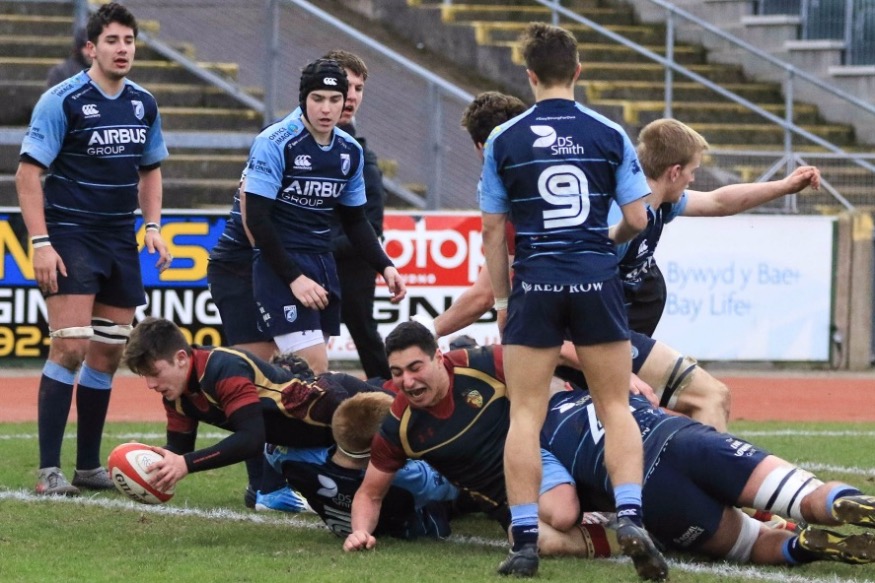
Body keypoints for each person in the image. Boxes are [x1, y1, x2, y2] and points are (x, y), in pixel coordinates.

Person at [477, 23, 665, 579]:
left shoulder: (504, 138)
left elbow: (492, 232)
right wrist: (604, 242)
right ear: (578, 71)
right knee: (615, 406)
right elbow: (638, 218)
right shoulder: (608, 132)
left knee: (525, 414)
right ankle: (630, 516)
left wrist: (503, 301)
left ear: (529, 76)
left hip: (535, 284)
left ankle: (525, 542)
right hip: (594, 281)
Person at [16, 2, 171, 496]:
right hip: (70, 234)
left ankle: (86, 466)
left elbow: (150, 170)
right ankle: (48, 471)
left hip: (119, 238)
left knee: (106, 354)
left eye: (129, 41)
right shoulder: (62, 100)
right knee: (70, 346)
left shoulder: (143, 103)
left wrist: (152, 227)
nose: (122, 49)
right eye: (112, 41)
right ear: (91, 48)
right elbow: (27, 175)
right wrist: (41, 243)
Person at [343, 322, 623, 566]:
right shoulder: (398, 426)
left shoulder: (477, 364)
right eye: (397, 372)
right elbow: (369, 494)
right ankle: (620, 541)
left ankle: (613, 513)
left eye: (415, 368)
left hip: (531, 459)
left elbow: (553, 350)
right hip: (503, 504)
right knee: (536, 540)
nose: (407, 381)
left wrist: (622, 377)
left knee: (562, 513)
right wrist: (359, 532)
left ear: (438, 357)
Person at [541, 386, 875, 566]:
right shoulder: (604, 378)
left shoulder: (536, 438)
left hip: (654, 492)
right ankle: (840, 502)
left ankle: (801, 547)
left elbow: (561, 509)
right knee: (805, 495)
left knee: (751, 543)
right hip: (689, 441)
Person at [243, 57, 405, 378]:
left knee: (299, 378)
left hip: (323, 266)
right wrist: (294, 278)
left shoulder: (350, 150)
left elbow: (356, 221)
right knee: (313, 368)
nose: (326, 109)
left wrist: (384, 265)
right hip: (281, 267)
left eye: (334, 99)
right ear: (303, 99)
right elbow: (257, 219)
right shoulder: (274, 142)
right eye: (317, 99)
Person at [121, 317, 380, 493]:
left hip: (349, 405)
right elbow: (179, 450)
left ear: (180, 358)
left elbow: (251, 439)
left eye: (154, 373)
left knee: (402, 434)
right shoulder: (176, 395)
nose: (150, 385)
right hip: (316, 442)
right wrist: (143, 462)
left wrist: (186, 463)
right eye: (144, 376)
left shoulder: (223, 368)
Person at [617, 118, 821, 336]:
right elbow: (592, 282)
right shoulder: (625, 218)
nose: (692, 179)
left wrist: (785, 186)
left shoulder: (661, 202)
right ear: (675, 172)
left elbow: (718, 202)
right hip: (608, 338)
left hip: (626, 333)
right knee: (676, 362)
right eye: (692, 170)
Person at [265, 391, 459, 540]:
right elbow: (452, 483)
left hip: (340, 520)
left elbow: (270, 450)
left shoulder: (294, 459)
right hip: (408, 528)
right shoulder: (407, 477)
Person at [325, 50, 392, 381]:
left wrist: (320, 246)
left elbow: (371, 225)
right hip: (307, 262)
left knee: (364, 334)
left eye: (358, 88)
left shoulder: (362, 157)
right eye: (345, 86)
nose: (351, 96)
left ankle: (391, 397)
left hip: (350, 264)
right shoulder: (284, 141)